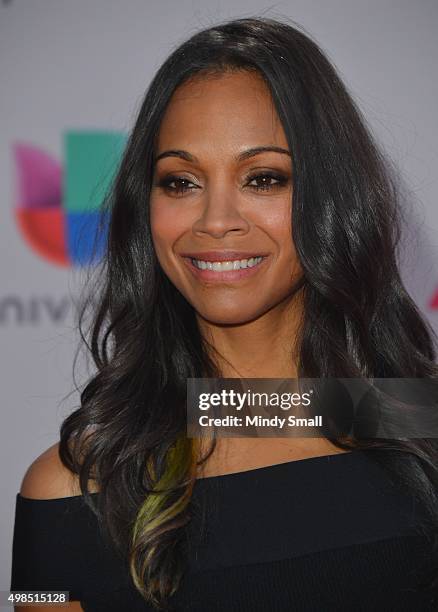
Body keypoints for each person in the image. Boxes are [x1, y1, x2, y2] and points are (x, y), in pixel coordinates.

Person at [10, 15, 438, 612]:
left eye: (263, 177)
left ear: (331, 197)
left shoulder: (413, 425)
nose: (215, 221)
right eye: (180, 182)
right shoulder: (64, 491)